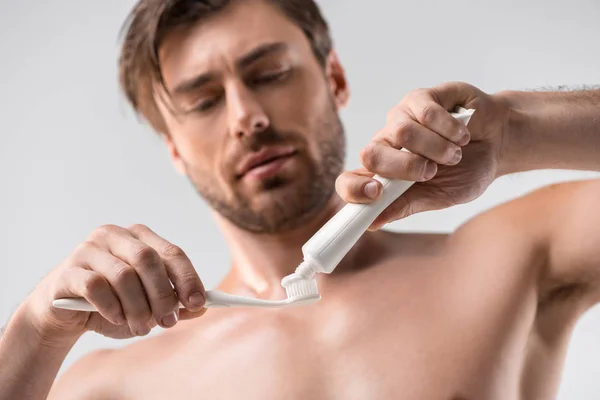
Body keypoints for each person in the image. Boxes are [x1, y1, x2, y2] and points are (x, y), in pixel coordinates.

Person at [1, 0, 599, 399]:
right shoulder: (113, 387)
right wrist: (35, 333)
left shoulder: (512, 259)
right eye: (204, 102)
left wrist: (522, 130)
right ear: (174, 147)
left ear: (334, 79)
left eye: (270, 73)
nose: (247, 117)